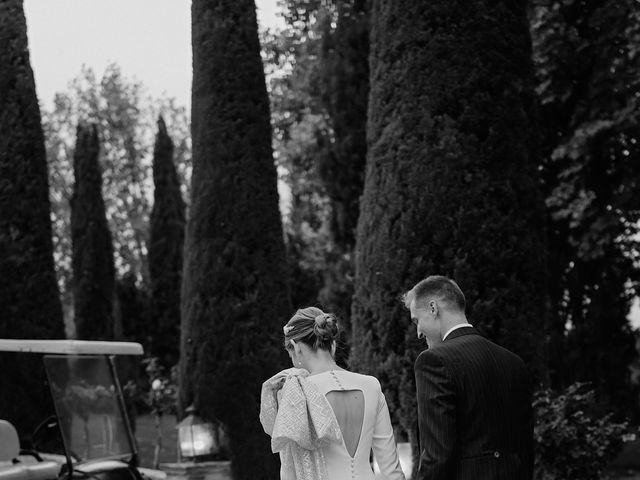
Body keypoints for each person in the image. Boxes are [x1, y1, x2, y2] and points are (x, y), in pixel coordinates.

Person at [404, 276, 534, 480]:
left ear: (433, 308)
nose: (418, 332)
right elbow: (525, 448)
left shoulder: (433, 361)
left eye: (416, 321)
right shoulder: (513, 362)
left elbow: (437, 456)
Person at [260, 307, 405, 480]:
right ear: (332, 344)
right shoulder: (371, 385)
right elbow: (392, 470)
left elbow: (290, 470)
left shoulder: (297, 391)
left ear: (296, 347)